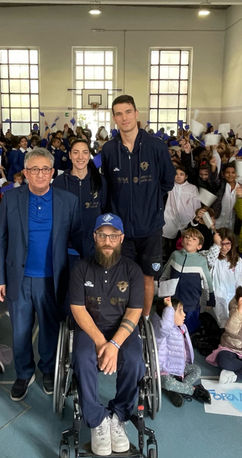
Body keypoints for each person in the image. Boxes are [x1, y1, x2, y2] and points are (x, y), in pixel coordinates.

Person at [0, 147, 83, 401]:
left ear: (53, 172)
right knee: (20, 331)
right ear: (25, 173)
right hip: (18, 279)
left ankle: (47, 370)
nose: (40, 174)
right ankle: (23, 373)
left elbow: (77, 240)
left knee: (49, 329)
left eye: (45, 169)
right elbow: (0, 240)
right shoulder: (11, 199)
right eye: (34, 169)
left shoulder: (68, 201)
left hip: (52, 279)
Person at [70, 213, 144, 456]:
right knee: (82, 359)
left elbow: (135, 310)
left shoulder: (133, 270)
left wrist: (114, 344)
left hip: (122, 329)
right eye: (103, 235)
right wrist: (102, 343)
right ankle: (97, 421)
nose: (107, 241)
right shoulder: (81, 268)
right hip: (91, 329)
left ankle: (119, 416)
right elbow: (78, 309)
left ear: (121, 238)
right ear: (95, 237)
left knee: (134, 360)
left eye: (113, 236)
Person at [101, 95, 175, 317]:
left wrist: (149, 203)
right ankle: (120, 322)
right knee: (119, 277)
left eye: (128, 111)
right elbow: (106, 188)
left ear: (136, 113)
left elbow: (167, 182)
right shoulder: (109, 150)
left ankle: (142, 321)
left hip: (150, 228)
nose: (124, 117)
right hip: (120, 230)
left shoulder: (155, 146)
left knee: (147, 278)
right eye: (119, 113)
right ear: (114, 118)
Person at [53, 139, 107, 259]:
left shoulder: (100, 181)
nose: (80, 157)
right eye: (76, 152)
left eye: (85, 152)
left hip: (95, 248)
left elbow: (105, 210)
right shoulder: (60, 182)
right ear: (70, 155)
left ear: (89, 155)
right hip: (68, 249)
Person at [153, 297, 211, 408]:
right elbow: (165, 327)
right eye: (180, 311)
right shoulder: (160, 329)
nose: (184, 314)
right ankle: (192, 390)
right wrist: (169, 307)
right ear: (169, 315)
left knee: (196, 370)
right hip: (163, 371)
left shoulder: (181, 328)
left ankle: (178, 389)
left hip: (178, 369)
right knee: (167, 382)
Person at [159, 228, 214, 333]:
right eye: (186, 237)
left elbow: (208, 282)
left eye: (193, 239)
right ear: (182, 241)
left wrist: (210, 299)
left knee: (189, 328)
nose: (189, 240)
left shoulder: (201, 260)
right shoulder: (175, 255)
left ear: (199, 246)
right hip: (174, 300)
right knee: (171, 326)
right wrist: (160, 289)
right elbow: (165, 273)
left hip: (191, 302)